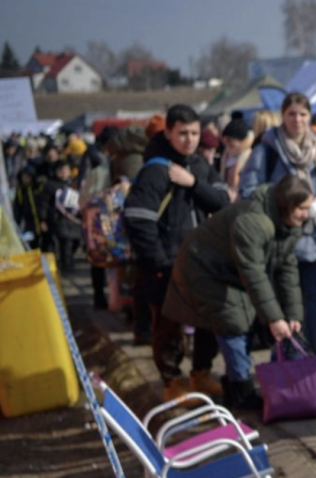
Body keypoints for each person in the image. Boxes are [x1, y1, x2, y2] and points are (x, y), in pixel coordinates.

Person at [162, 175, 310, 410]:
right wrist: (274, 318)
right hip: (204, 268)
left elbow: (287, 269)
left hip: (228, 271)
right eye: (302, 208)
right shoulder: (254, 222)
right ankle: (240, 389)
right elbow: (254, 274)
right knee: (233, 322)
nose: (306, 214)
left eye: (307, 208)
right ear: (287, 205)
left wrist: (292, 314)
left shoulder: (288, 225)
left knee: (236, 320)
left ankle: (227, 384)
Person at [123, 104, 231, 400]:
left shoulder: (200, 167)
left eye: (195, 133)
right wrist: (158, 262)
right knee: (168, 326)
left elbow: (222, 202)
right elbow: (138, 219)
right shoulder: (155, 170)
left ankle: (201, 375)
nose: (190, 139)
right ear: (169, 132)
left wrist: (194, 184)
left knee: (208, 320)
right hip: (167, 264)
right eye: (182, 133)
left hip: (203, 262)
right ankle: (171, 382)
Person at [239, 92, 316, 356]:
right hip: (282, 242)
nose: (297, 120)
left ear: (311, 117)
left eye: (303, 114)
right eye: (291, 114)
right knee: (287, 314)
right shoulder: (268, 148)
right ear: (282, 116)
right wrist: (285, 204)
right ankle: (286, 373)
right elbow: (249, 189)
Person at [44, 161, 82, 271]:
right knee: (66, 244)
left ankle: (67, 262)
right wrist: (44, 219)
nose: (63, 173)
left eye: (66, 170)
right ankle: (67, 267)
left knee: (76, 242)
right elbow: (44, 203)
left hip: (75, 220)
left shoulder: (75, 184)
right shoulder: (51, 185)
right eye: (61, 170)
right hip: (60, 220)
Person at [219, 117, 253, 201]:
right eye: (225, 142)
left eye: (231, 143)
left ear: (243, 141)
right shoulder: (225, 156)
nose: (227, 145)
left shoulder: (251, 158)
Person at [12, 166, 43, 250]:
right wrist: (16, 222)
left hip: (41, 220)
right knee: (32, 244)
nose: (26, 179)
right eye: (23, 177)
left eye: (28, 176)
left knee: (45, 243)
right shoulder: (20, 190)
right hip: (29, 222)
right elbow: (17, 208)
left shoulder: (39, 187)